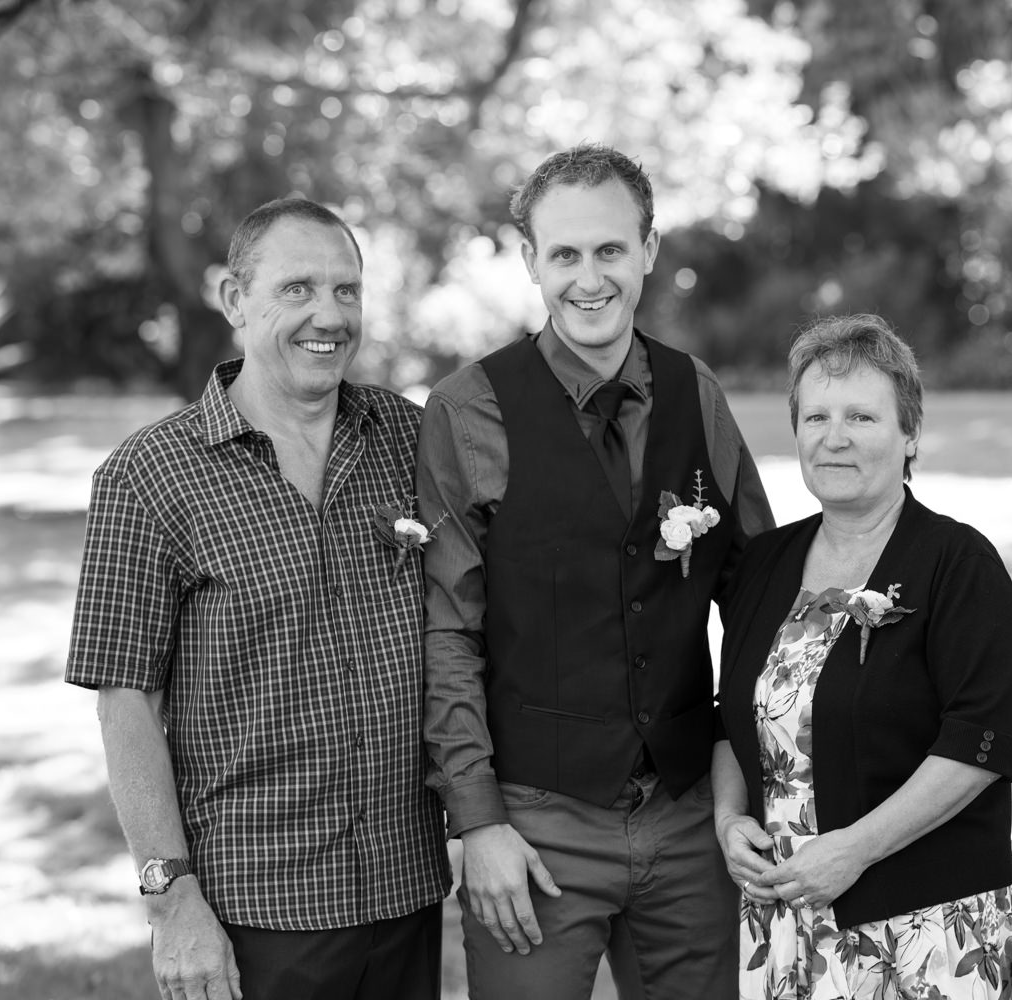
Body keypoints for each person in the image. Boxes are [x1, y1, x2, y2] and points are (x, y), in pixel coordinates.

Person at [66, 197, 451, 1000]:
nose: (330, 315)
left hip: (406, 893)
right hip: (256, 915)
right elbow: (124, 704)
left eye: (347, 291)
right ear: (235, 299)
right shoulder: (148, 477)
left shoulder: (407, 439)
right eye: (298, 289)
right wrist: (171, 902)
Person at [416, 143, 775, 999]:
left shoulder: (698, 395)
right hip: (536, 823)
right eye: (565, 253)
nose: (589, 276)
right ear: (532, 262)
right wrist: (480, 823)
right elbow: (447, 627)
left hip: (690, 817)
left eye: (610, 249)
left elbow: (762, 597)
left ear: (648, 251)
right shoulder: (468, 409)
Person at [712, 314, 1012, 1000]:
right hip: (788, 925)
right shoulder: (766, 563)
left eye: (861, 416)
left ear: (909, 432)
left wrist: (854, 849)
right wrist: (729, 818)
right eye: (816, 417)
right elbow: (729, 716)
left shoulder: (958, 564)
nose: (834, 438)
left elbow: (981, 742)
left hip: (931, 933)